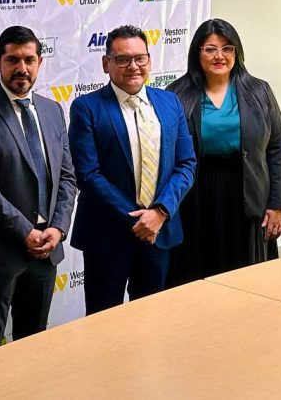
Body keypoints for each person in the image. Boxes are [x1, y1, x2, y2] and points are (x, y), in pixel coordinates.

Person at [0, 26, 76, 355]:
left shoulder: (53, 110)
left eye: (29, 60)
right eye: (12, 60)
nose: (21, 68)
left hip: (46, 249)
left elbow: (67, 177)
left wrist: (57, 228)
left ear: (39, 62)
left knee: (34, 346)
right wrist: (26, 232)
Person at [68, 24, 196, 314]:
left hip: (159, 233)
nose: (133, 66)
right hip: (106, 236)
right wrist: (138, 220)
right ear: (106, 63)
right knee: (103, 323)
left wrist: (160, 212)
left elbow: (186, 163)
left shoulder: (170, 102)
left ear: (149, 60)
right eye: (123, 59)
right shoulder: (86, 107)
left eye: (140, 58)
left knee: (152, 321)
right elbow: (88, 175)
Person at [166, 18, 281, 286]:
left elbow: (277, 148)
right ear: (197, 53)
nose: (219, 56)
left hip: (248, 192)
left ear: (237, 52)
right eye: (210, 49)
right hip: (195, 195)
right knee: (196, 276)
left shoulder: (259, 91)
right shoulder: (177, 93)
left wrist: (278, 204)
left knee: (248, 280)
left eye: (227, 48)